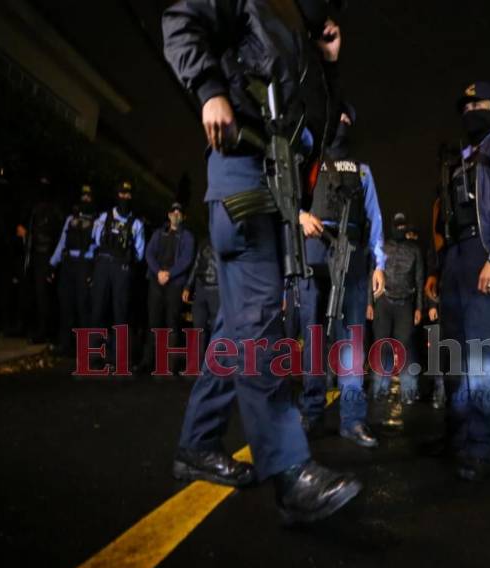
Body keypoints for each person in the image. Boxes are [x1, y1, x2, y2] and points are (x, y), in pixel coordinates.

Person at [163, 0, 361, 523]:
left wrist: (329, 60)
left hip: (278, 188)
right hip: (242, 173)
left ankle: (196, 445)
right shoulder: (260, 4)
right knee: (258, 322)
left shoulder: (307, 44)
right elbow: (180, 20)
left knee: (236, 328)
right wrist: (209, 91)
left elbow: (318, 125)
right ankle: (290, 470)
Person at [426, 81, 490, 482]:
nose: (473, 110)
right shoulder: (458, 160)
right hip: (454, 259)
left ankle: (480, 447)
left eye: (481, 103)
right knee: (452, 355)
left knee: (483, 356)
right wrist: (437, 267)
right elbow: (443, 220)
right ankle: (456, 438)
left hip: (482, 255)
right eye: (467, 104)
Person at [298, 105, 386, 447]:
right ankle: (312, 412)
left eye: (349, 120)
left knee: (351, 340)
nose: (343, 125)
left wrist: (379, 263)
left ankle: (352, 420)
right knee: (315, 336)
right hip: (316, 250)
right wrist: (301, 216)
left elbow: (374, 218)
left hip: (352, 254)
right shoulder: (310, 164)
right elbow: (288, 201)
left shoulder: (363, 172)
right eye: (338, 119)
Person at [367, 212, 424, 410]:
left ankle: (409, 391)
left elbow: (419, 279)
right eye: (397, 224)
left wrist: (419, 307)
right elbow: (371, 275)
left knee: (405, 347)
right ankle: (379, 390)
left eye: (403, 224)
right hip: (383, 301)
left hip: (406, 303)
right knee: (382, 347)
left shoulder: (415, 250)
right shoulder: (381, 248)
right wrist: (369, 304)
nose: (400, 228)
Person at [91, 181, 145, 364]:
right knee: (98, 309)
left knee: (120, 313)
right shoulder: (104, 217)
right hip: (103, 266)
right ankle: (95, 355)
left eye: (128, 195)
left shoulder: (136, 223)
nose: (125, 198)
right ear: (117, 195)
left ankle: (118, 357)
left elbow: (139, 252)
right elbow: (96, 240)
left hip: (122, 269)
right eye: (122, 194)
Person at [140, 202, 195, 373]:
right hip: (156, 282)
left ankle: (169, 365)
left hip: (175, 283)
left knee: (172, 323)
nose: (176, 213)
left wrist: (169, 274)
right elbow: (149, 253)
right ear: (168, 214)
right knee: (153, 322)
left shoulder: (187, 236)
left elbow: (186, 260)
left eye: (179, 211)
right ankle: (147, 362)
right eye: (173, 211)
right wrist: (158, 273)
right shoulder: (159, 233)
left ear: (183, 216)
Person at [49, 185, 97, 356]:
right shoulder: (70, 219)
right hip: (68, 263)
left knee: (83, 306)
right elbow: (62, 242)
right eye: (83, 196)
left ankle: (85, 347)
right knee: (66, 304)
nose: (85, 199)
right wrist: (52, 264)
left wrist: (93, 271)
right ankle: (65, 344)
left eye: (88, 196)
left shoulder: (97, 221)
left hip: (85, 264)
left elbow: (98, 247)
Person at [24, 173, 63, 344]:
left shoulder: (54, 210)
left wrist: (52, 264)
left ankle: (45, 330)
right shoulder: (37, 208)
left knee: (44, 296)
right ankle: (40, 328)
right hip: (37, 256)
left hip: (46, 257)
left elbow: (55, 237)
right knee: (38, 295)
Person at [183, 236, 219, 368]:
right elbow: (196, 264)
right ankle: (196, 363)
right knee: (198, 327)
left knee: (216, 327)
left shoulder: (226, 241)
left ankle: (214, 364)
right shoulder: (204, 242)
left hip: (217, 289)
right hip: (201, 288)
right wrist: (188, 286)